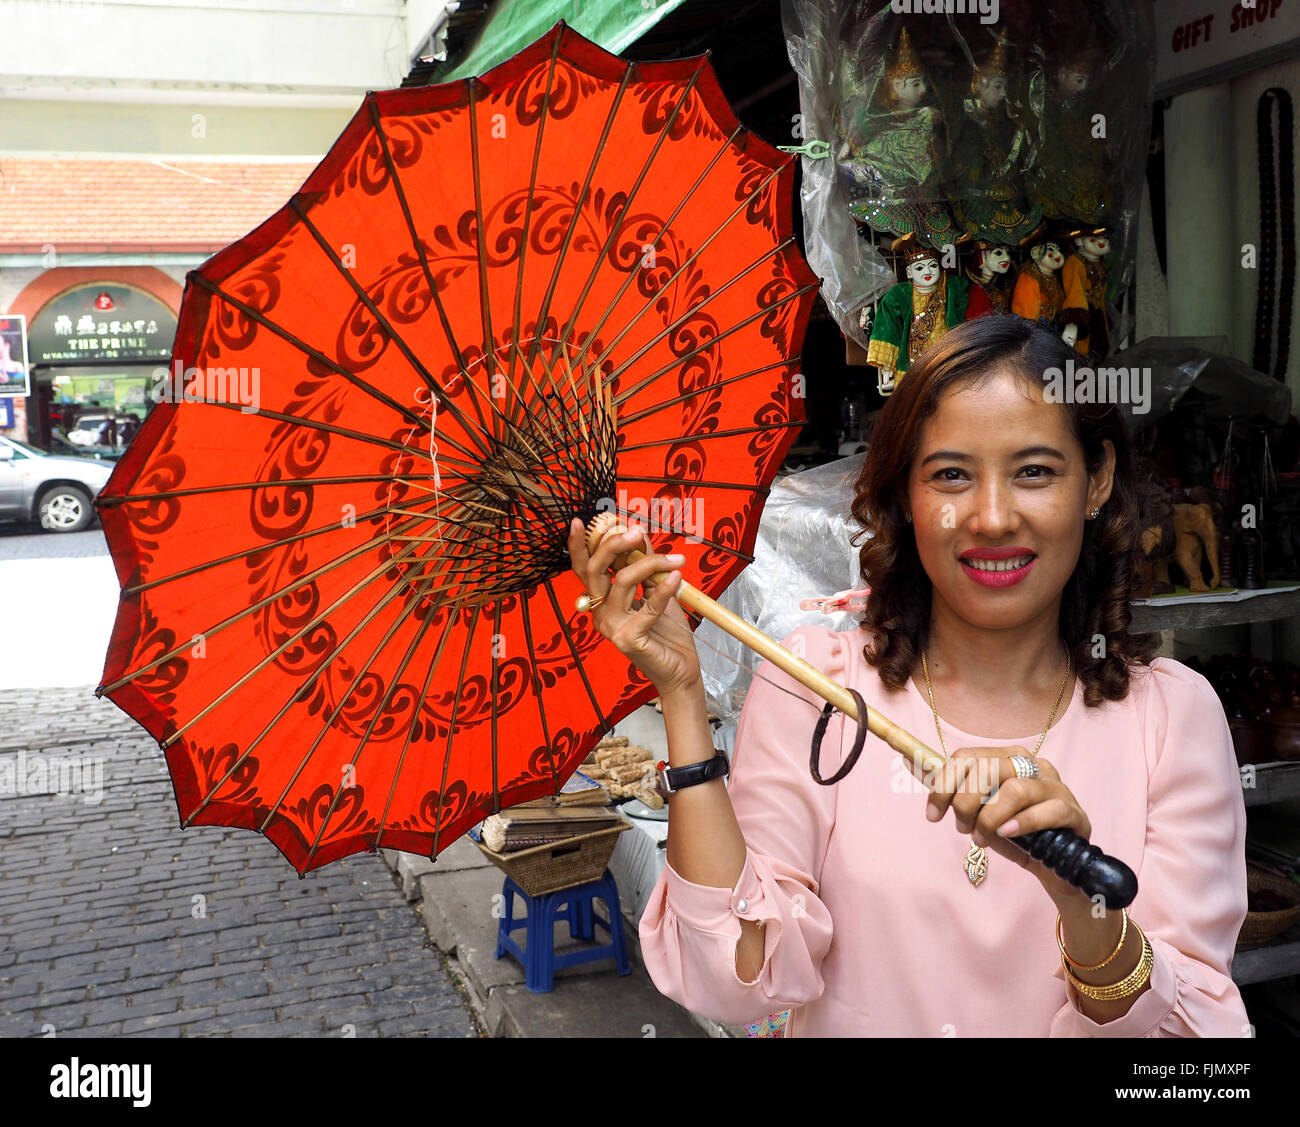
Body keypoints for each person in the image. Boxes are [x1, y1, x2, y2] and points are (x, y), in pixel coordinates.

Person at [566, 314, 1250, 1037]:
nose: (991, 516)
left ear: (1097, 480)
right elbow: (735, 978)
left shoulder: (1171, 720)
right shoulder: (816, 692)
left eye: (1035, 471)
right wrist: (680, 695)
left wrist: (1082, 900)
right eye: (951, 473)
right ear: (904, 494)